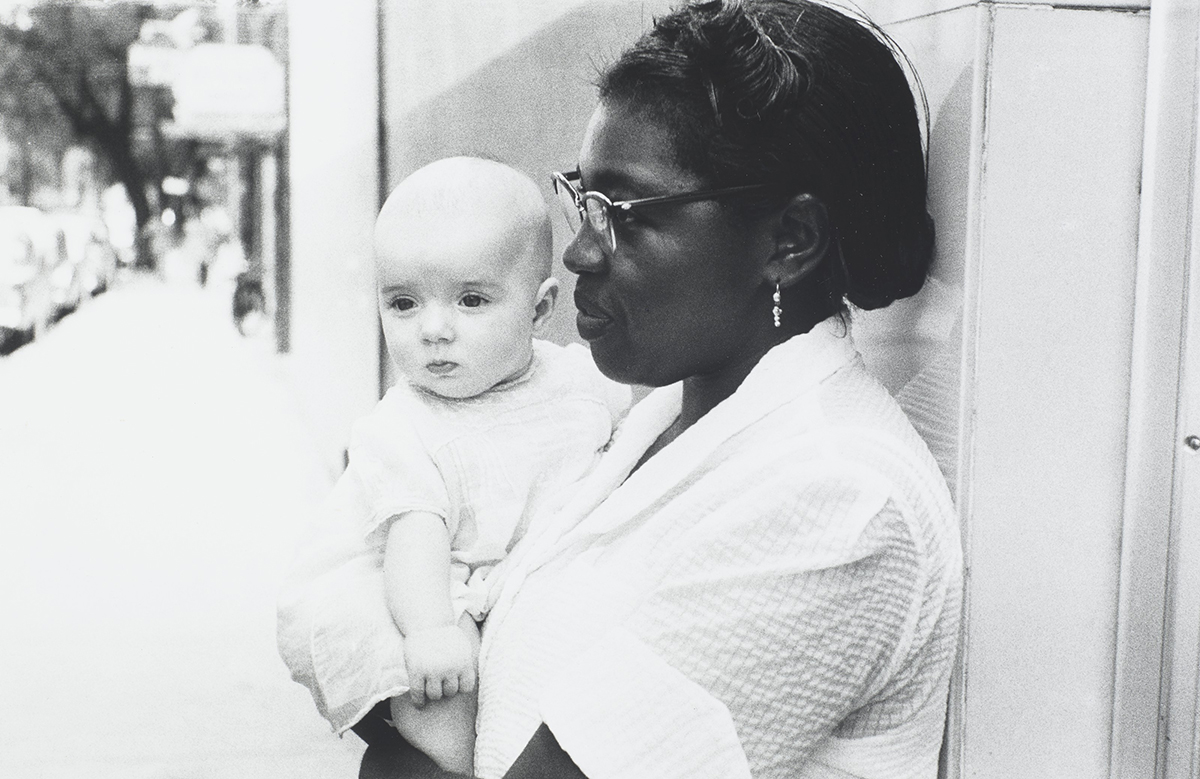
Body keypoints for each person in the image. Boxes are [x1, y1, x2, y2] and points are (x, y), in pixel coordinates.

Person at [313, 1, 963, 777]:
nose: (580, 251)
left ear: (789, 240)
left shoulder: (841, 502)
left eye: (622, 211)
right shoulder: (647, 419)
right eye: (582, 200)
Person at [276, 157, 630, 774]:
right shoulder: (403, 427)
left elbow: (620, 449)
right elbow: (416, 535)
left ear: (540, 308)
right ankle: (461, 764)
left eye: (471, 301)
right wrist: (430, 630)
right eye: (404, 304)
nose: (433, 330)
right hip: (433, 590)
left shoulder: (578, 382)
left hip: (521, 576)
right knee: (445, 693)